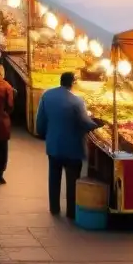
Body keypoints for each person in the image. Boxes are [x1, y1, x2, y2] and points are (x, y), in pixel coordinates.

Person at [36, 71, 97, 218]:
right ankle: (71, 211)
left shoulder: (47, 95)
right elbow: (85, 122)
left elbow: (40, 122)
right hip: (73, 148)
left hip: (54, 146)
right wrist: (97, 125)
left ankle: (54, 208)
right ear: (73, 83)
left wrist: (45, 134)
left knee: (54, 178)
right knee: (72, 181)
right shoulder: (77, 101)